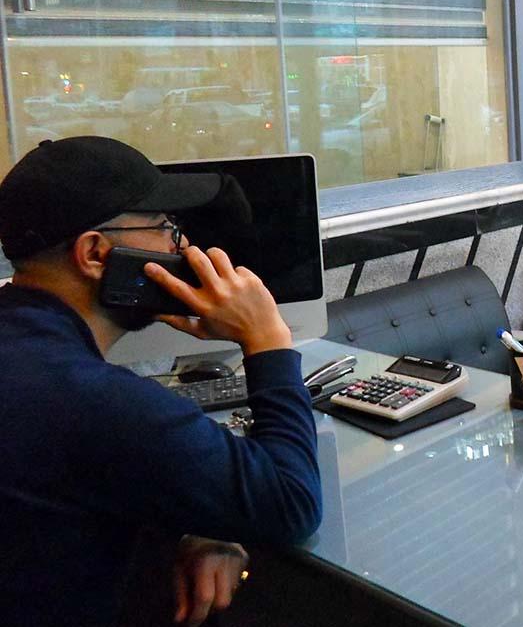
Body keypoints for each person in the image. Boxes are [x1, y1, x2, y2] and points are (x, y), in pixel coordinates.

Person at [0, 136, 322, 627]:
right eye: (166, 229)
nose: (184, 248)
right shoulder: (98, 400)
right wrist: (267, 340)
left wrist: (196, 520)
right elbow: (291, 503)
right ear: (95, 253)